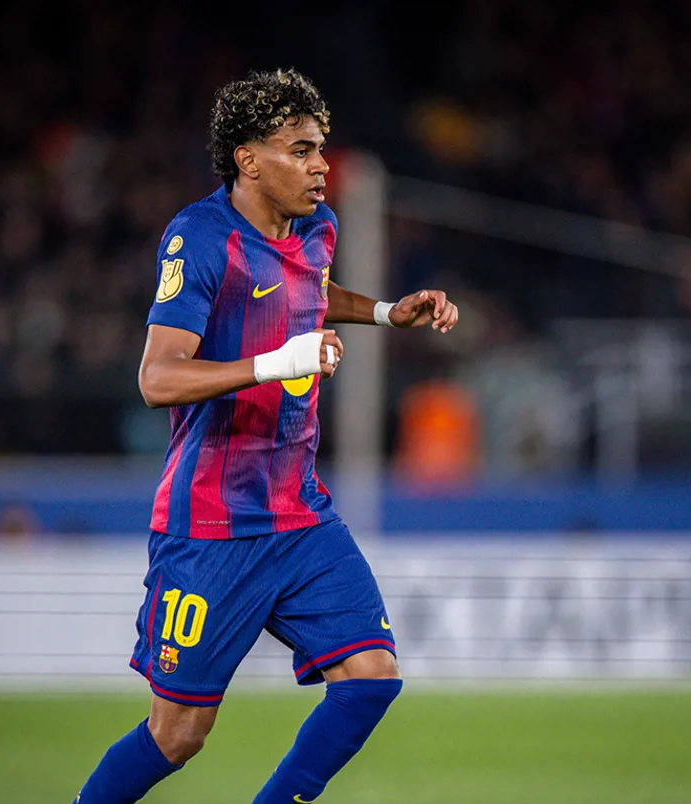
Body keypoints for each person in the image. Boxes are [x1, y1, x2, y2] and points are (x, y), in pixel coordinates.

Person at [72, 68, 458, 804]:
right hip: (211, 525)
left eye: (321, 149)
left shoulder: (317, 228)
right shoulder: (199, 237)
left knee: (371, 677)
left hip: (298, 512)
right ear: (248, 160)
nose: (321, 166)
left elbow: (305, 291)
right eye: (301, 150)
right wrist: (278, 362)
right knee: (177, 735)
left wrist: (384, 313)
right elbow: (158, 377)